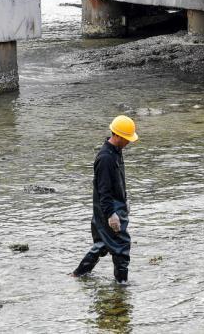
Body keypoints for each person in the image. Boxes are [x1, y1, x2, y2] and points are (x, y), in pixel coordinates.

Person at [71, 115, 139, 283]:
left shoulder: (116, 152)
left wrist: (124, 199)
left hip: (114, 205)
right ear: (117, 135)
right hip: (109, 209)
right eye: (127, 138)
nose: (129, 142)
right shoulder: (106, 158)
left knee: (102, 243)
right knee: (122, 246)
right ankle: (122, 286)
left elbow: (117, 182)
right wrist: (111, 215)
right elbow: (104, 190)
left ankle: (79, 274)